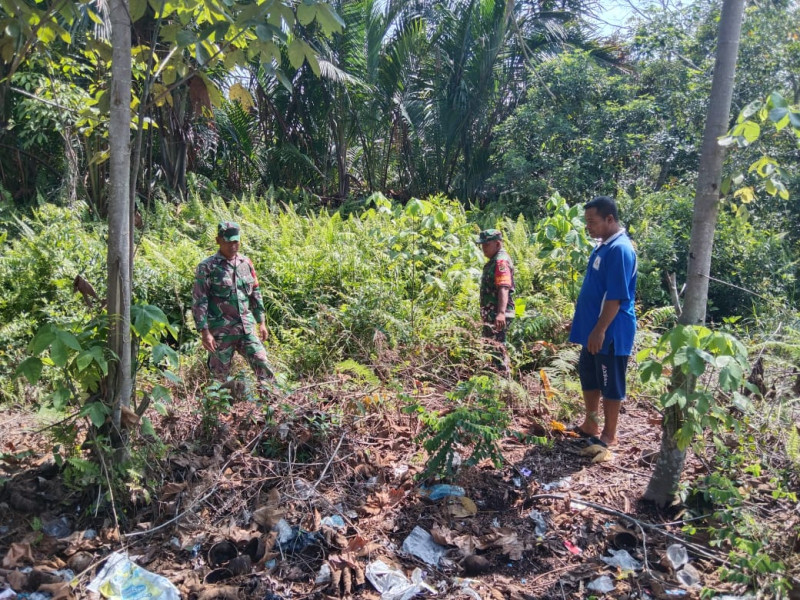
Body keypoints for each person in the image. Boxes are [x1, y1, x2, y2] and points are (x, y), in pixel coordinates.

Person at [569, 196, 637, 447]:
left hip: (611, 330)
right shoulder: (603, 245)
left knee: (610, 380)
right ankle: (591, 423)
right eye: (586, 222)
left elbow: (617, 297)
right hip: (593, 328)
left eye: (592, 221)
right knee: (589, 374)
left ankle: (609, 434)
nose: (588, 227)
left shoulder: (620, 249)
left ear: (610, 219)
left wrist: (599, 330)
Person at [192, 221, 274, 395]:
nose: (233, 245)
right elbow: (200, 300)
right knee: (218, 378)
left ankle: (271, 408)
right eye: (228, 241)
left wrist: (261, 322)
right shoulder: (207, 267)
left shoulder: (246, 263)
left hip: (246, 328)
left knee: (262, 363)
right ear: (218, 240)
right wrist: (204, 332)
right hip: (221, 332)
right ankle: (217, 415)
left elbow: (255, 293)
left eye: (236, 241)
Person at [476, 229, 515, 373]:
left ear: (497, 244)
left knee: (497, 350)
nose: (483, 249)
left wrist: (501, 313)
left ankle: (504, 385)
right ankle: (496, 382)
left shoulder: (500, 262)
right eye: (482, 245)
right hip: (493, 314)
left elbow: (503, 288)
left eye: (486, 245)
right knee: (492, 348)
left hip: (497, 315)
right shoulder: (495, 260)